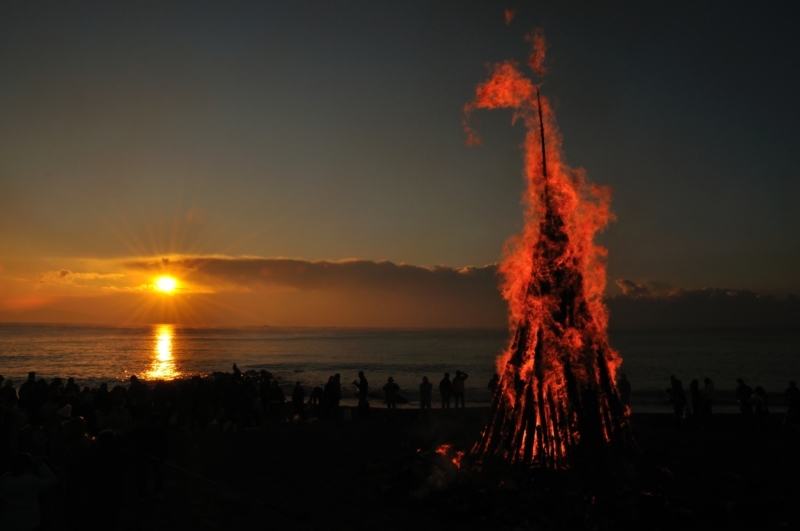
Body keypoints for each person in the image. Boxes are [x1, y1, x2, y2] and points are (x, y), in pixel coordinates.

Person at [0, 453, 57, 530]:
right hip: (29, 521)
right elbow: (52, 480)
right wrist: (41, 464)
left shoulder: (5, 480)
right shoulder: (31, 481)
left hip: (8, 520)